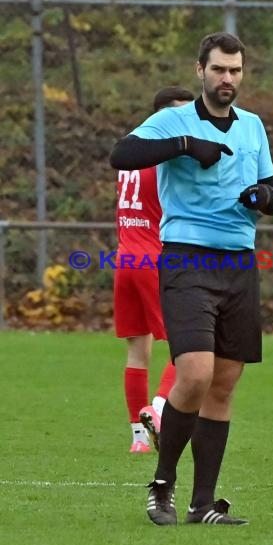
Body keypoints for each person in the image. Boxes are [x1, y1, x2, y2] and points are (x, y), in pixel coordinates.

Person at [110, 32, 273, 525]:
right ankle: (161, 487)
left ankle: (202, 504)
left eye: (235, 70)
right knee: (196, 373)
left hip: (239, 263)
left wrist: (265, 199)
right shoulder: (174, 119)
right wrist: (186, 145)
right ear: (200, 70)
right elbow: (121, 154)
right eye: (218, 69)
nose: (227, 78)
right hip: (187, 258)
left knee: (224, 386)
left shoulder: (252, 127)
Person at [114, 86, 195, 453]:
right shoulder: (163, 155)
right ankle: (159, 408)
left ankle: (138, 439)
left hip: (126, 258)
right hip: (154, 259)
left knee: (137, 351)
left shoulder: (133, 151)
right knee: (186, 345)